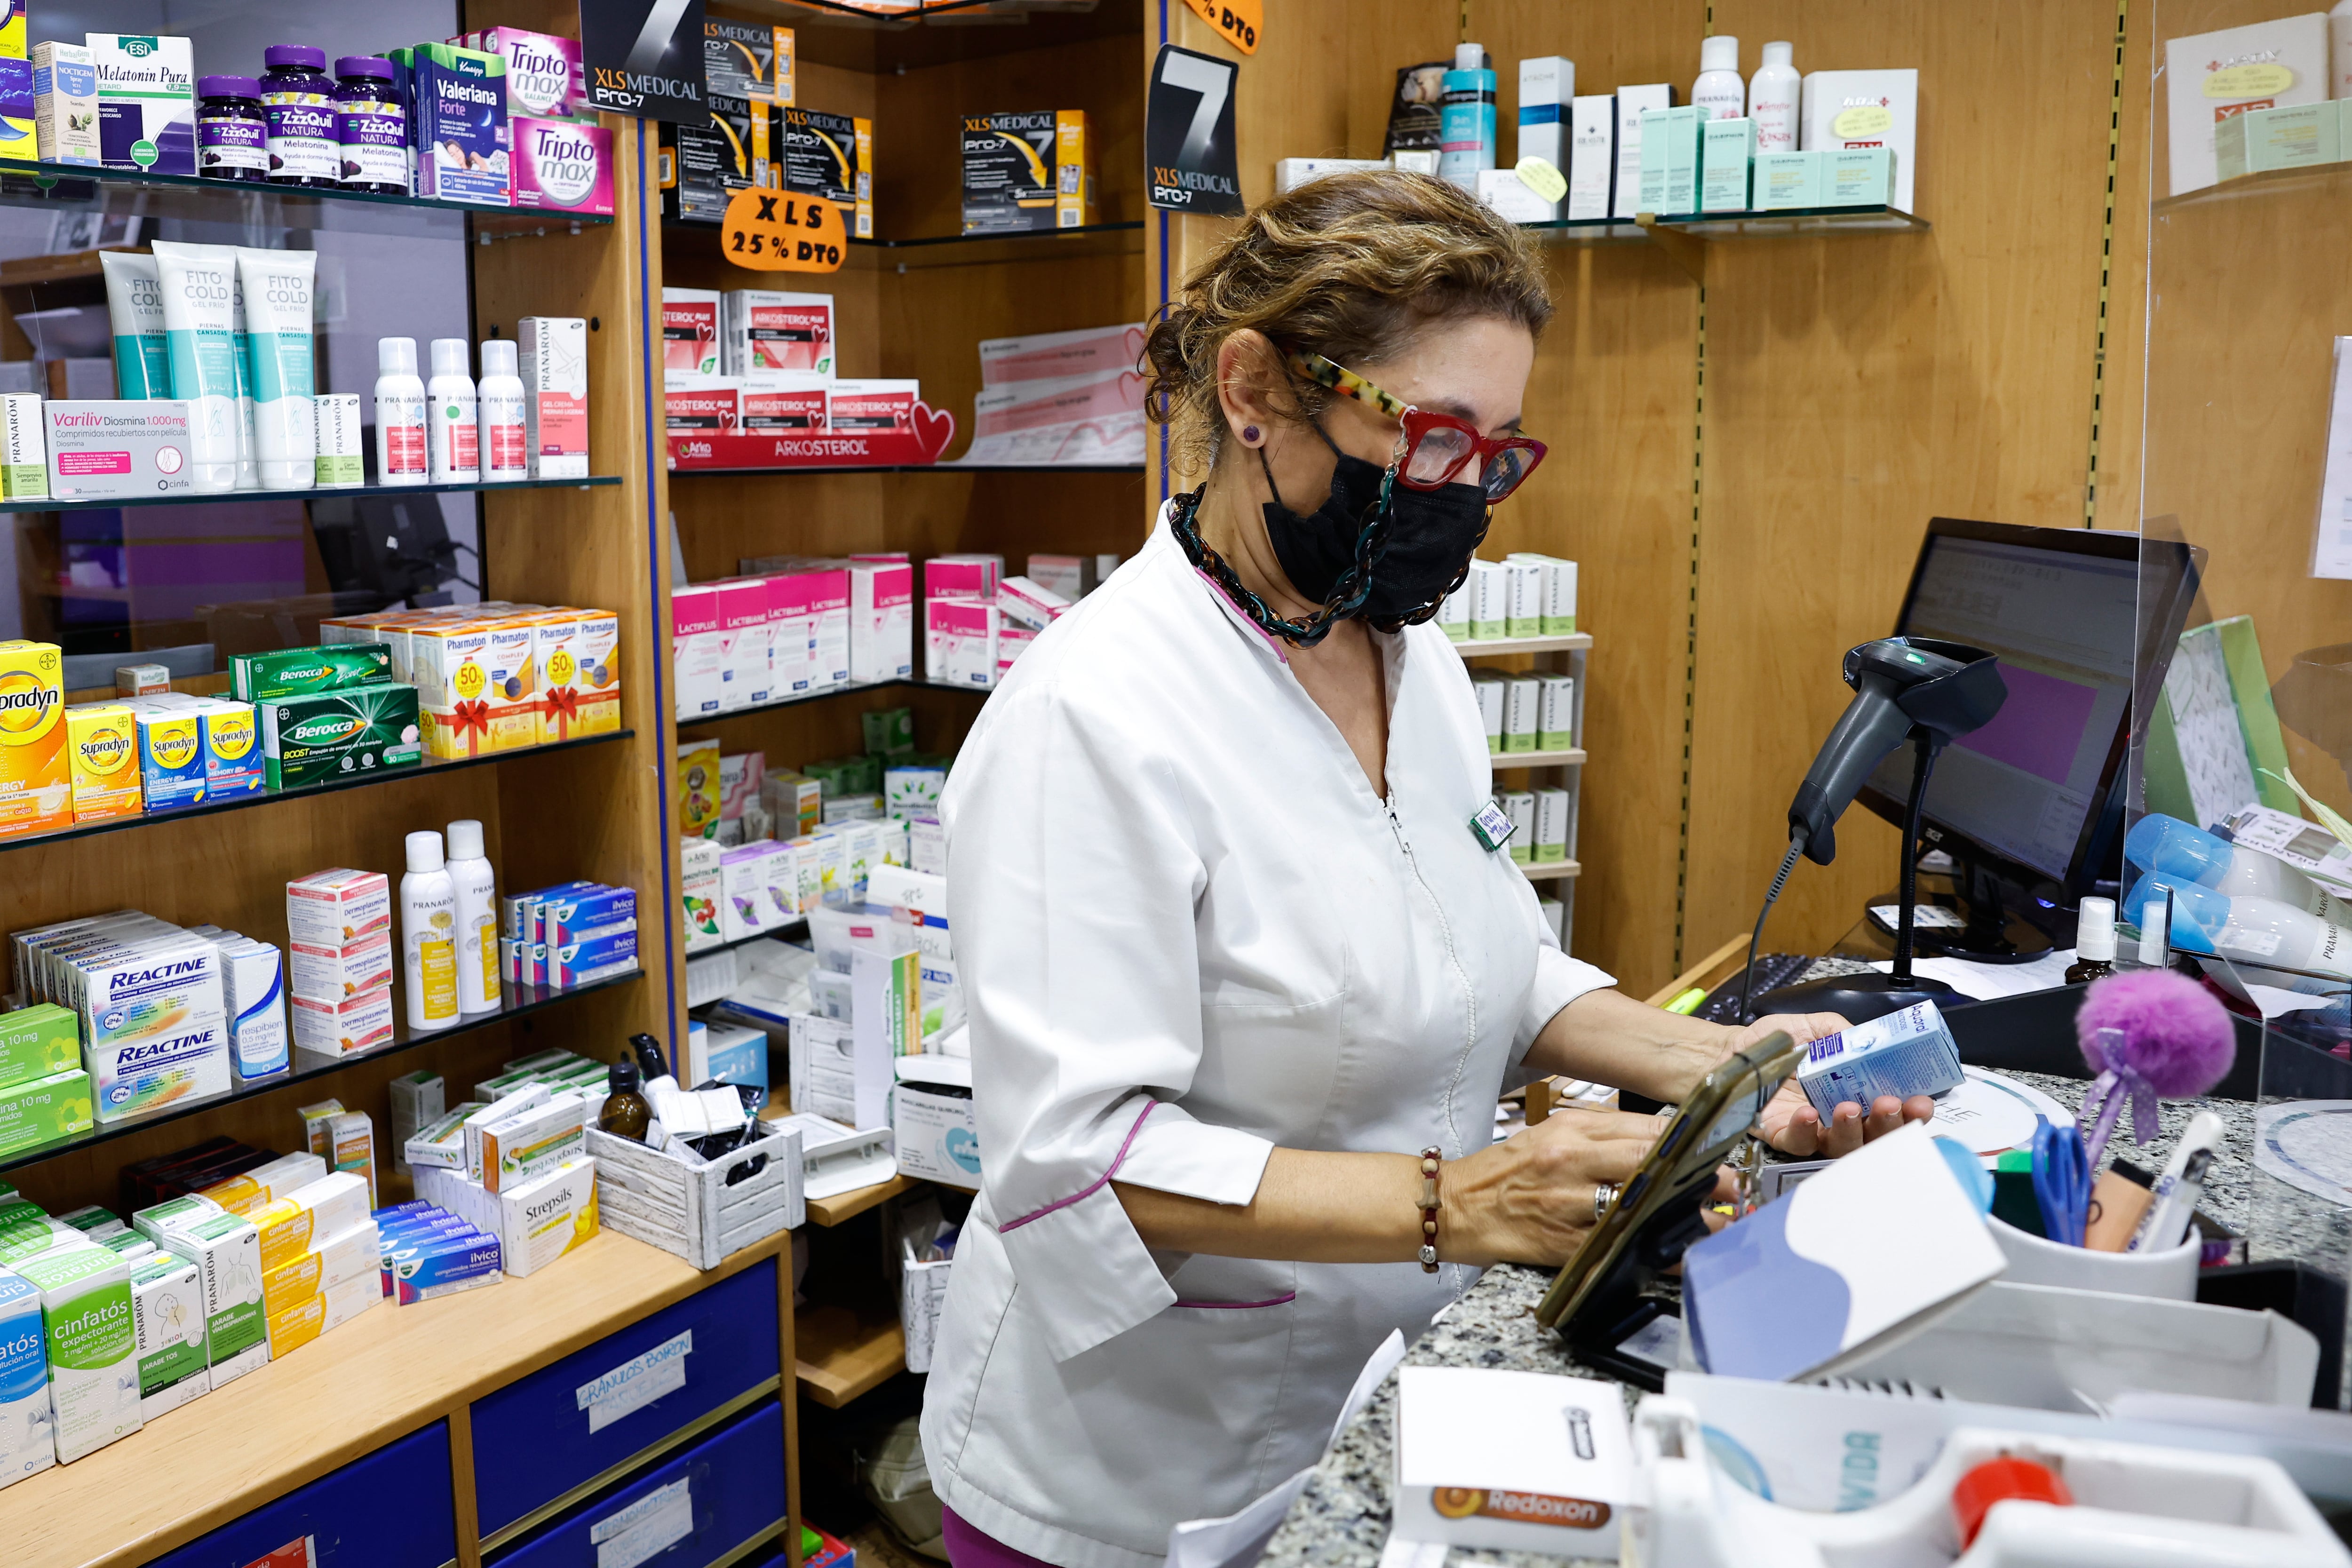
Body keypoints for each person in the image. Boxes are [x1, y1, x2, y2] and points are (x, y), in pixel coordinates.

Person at [921, 171, 1932, 1568]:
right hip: (1139, 1473)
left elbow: (1481, 953)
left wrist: (1714, 1062)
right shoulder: (1087, 719)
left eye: (1501, 448)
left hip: (1381, 1397)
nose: (1467, 491)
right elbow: (1076, 1156)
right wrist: (1466, 1201)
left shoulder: (1419, 664)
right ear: (1256, 389)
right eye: (1434, 434)